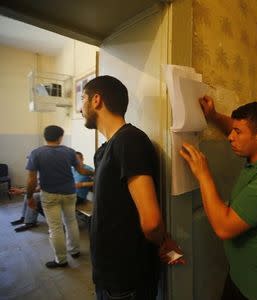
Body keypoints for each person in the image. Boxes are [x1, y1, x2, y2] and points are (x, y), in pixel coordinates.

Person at [180, 96, 257, 300]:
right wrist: (213, 116)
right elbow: (241, 129)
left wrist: (204, 175)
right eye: (233, 130)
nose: (230, 137)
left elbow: (224, 227)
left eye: (237, 132)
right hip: (242, 278)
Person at [81, 75, 184, 300]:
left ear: (96, 100)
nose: (81, 108)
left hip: (126, 280)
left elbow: (152, 221)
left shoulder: (130, 141)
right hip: (108, 276)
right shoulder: (107, 148)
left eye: (83, 99)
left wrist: (164, 242)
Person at [26, 125, 94, 268]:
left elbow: (31, 179)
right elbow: (81, 170)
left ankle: (61, 260)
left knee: (55, 227)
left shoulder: (36, 153)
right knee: (71, 222)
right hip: (69, 193)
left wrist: (29, 196)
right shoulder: (69, 152)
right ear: (60, 137)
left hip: (49, 195)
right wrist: (96, 171)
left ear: (45, 137)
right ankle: (75, 251)